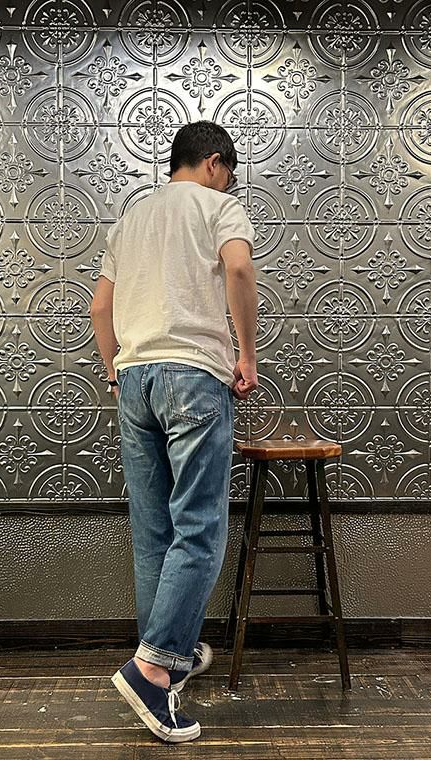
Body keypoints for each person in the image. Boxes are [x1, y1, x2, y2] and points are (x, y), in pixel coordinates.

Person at [89, 120, 259, 742]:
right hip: (192, 374)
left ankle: (171, 653)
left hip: (134, 378)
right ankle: (153, 670)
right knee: (200, 527)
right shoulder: (219, 207)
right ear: (214, 162)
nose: (228, 184)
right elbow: (239, 272)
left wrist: (114, 369)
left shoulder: (132, 215)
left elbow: (100, 306)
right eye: (228, 174)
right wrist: (247, 355)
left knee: (153, 531)